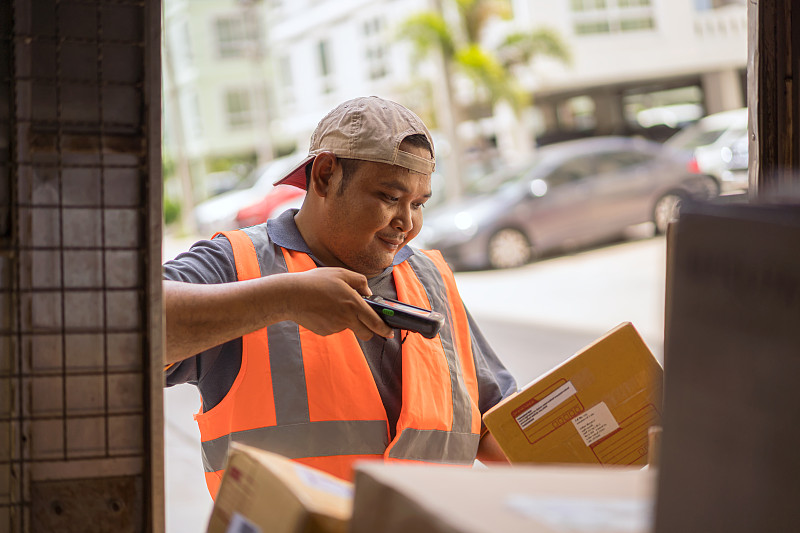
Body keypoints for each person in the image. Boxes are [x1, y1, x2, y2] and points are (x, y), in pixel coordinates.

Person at [163, 96, 517, 498]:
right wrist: (284, 300)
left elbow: (490, 421)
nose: (407, 223)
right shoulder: (237, 266)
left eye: (418, 204)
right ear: (325, 176)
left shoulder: (429, 278)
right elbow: (124, 326)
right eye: (389, 197)